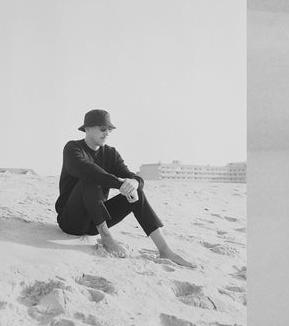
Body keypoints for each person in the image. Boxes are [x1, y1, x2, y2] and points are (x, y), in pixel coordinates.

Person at [55, 109, 194, 267]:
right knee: (90, 179)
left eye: (110, 129)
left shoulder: (110, 153)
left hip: (95, 220)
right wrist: (120, 184)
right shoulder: (73, 148)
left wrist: (134, 183)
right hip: (71, 221)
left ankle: (165, 250)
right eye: (102, 128)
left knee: (136, 192)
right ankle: (107, 239)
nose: (107, 133)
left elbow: (133, 177)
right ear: (87, 129)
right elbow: (88, 170)